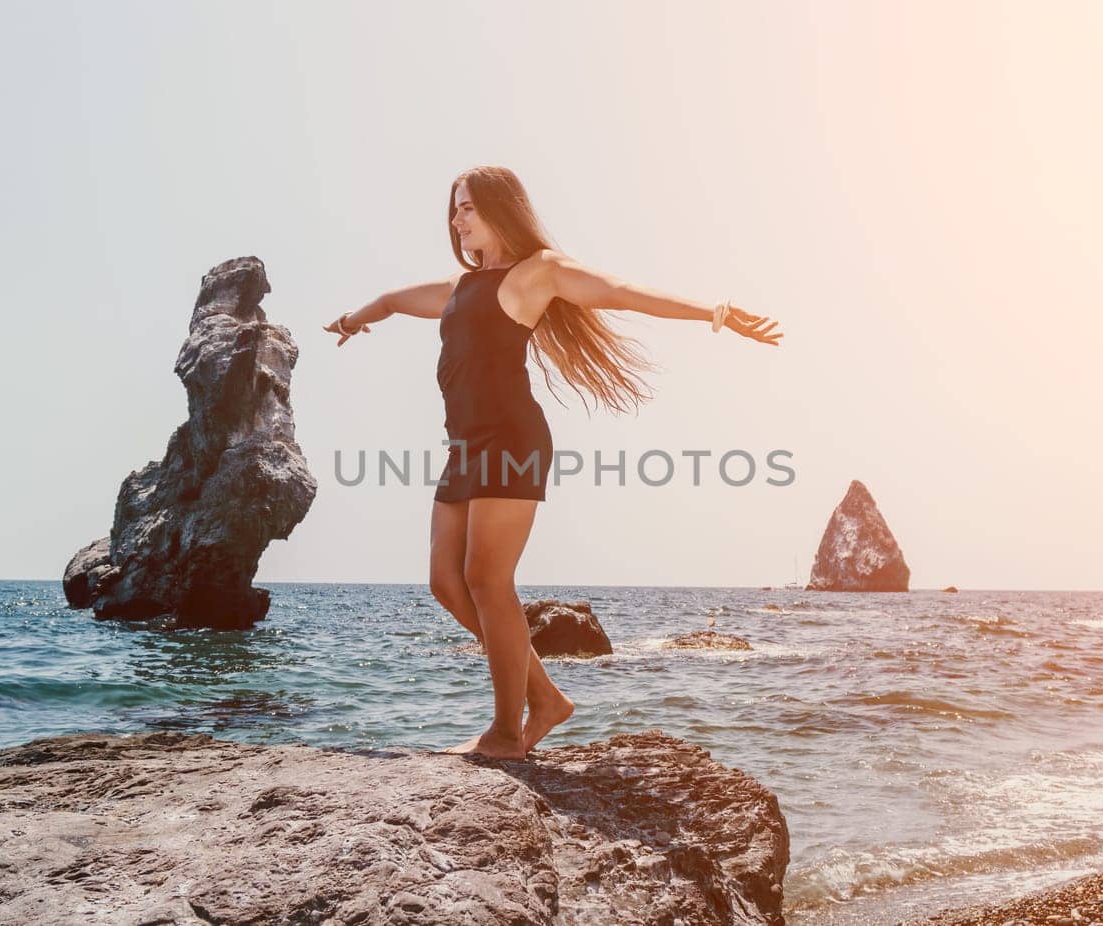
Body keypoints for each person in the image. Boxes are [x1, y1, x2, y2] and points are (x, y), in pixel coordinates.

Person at [325, 165, 782, 759]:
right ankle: (546, 700)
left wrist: (714, 312)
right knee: (446, 582)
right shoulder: (460, 289)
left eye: (467, 207)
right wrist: (355, 320)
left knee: (488, 581)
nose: (456, 219)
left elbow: (621, 292)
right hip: (464, 445)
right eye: (453, 210)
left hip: (511, 440)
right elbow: (390, 300)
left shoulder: (536, 274)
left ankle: (507, 733)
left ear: (499, 209)